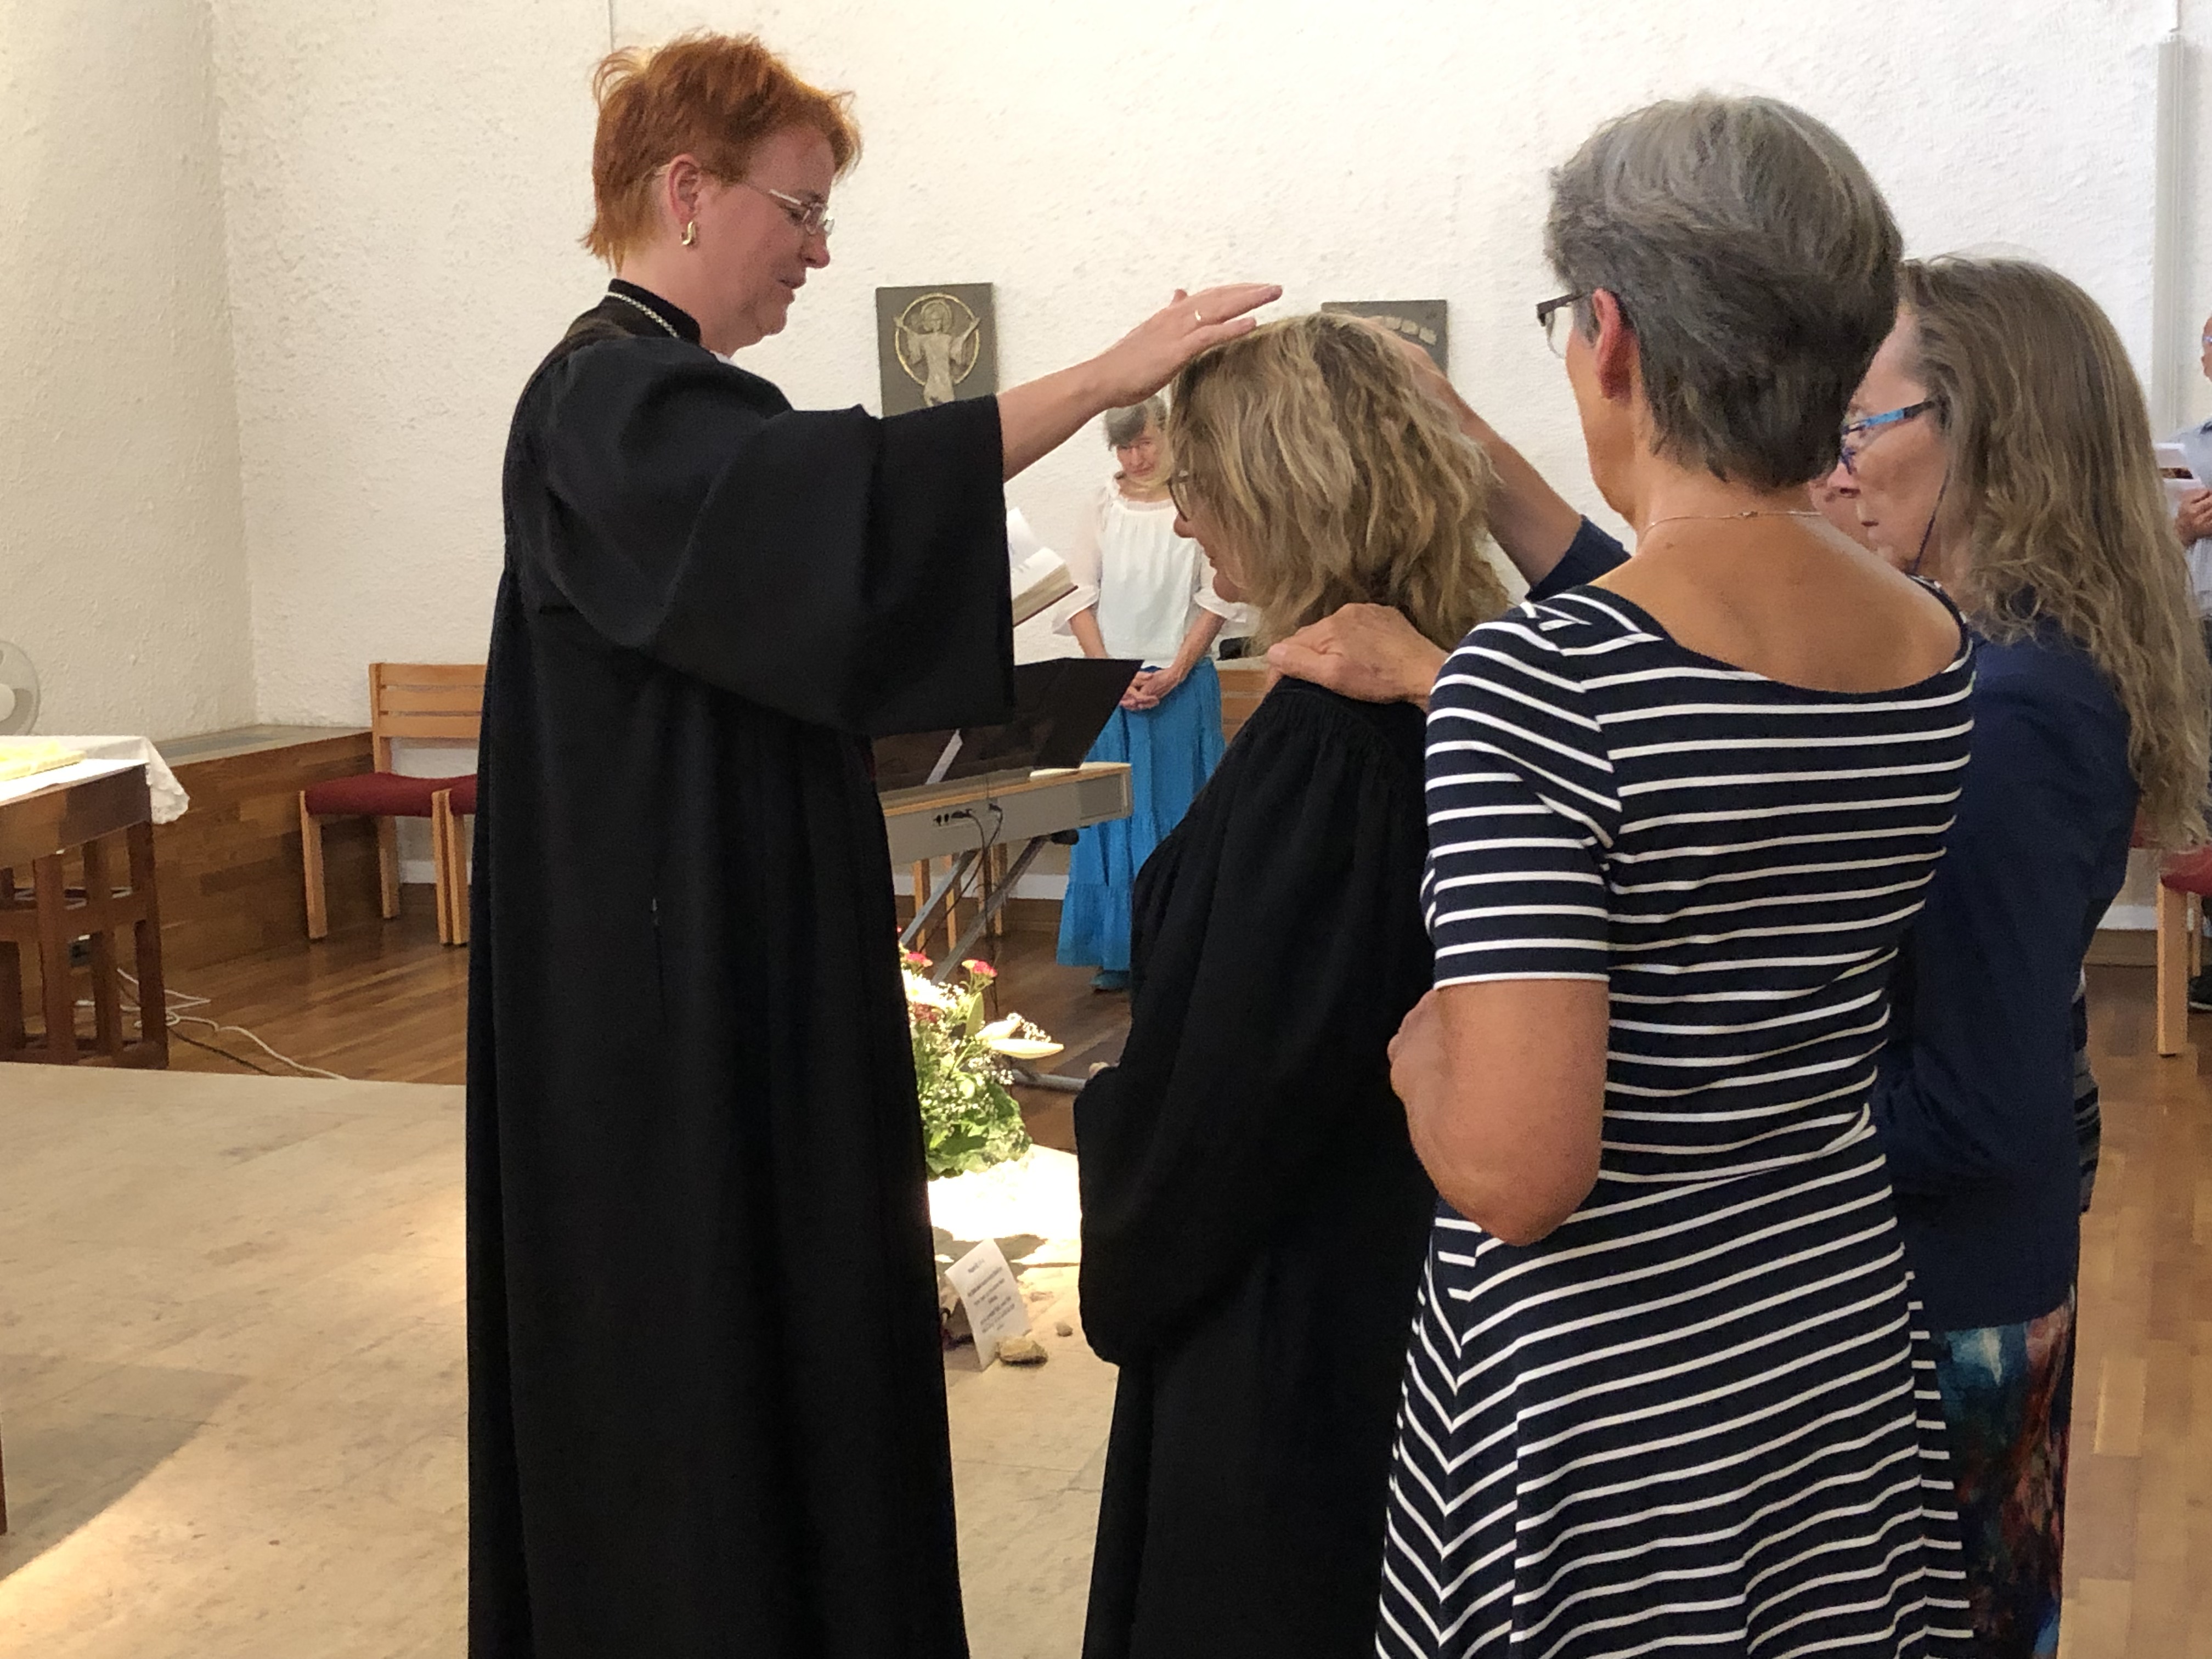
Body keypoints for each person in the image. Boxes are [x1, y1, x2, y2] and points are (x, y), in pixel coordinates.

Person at [468, 31, 1277, 1659]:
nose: (822, 251)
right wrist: (1103, 380)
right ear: (687, 192)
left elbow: (809, 592)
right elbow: (838, 502)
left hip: (739, 940)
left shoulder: (676, 405)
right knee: (696, 1332)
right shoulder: (604, 398)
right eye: (802, 208)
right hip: (660, 993)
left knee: (795, 1301)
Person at [1284, 253, 2210, 1656]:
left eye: (1864, 426)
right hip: (1884, 1270)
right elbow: (1689, 644)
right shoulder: (1958, 651)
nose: (1831, 472)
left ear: (1988, 435)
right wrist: (1479, 476)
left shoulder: (1996, 701)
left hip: (1937, 1289)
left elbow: (1976, 1093)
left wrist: (1712, 1140)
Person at [1291, 95, 1974, 1654]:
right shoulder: (1933, 652)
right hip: (1825, 1332)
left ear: (1610, 337)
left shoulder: (1539, 685)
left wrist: (1423, 1062)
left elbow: (1523, 1176)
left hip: (1612, 1409)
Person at [1074, 313, 1510, 1659]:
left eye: (1200, 488)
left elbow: (1237, 1090)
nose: (1190, 526)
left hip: (1294, 1310)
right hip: (1394, 1270)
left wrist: (1118, 1161)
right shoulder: (1464, 679)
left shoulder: (1331, 744)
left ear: (1284, 486)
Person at [1056, 397, 1240, 990]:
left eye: (1145, 443)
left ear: (1169, 437)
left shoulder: (1202, 500)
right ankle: (1119, 949)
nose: (1135, 457)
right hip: (1113, 689)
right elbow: (1076, 593)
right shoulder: (1100, 505)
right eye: (1124, 447)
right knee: (1114, 818)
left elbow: (1221, 594)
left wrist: (1179, 668)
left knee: (1182, 815)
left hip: (1182, 685)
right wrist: (1111, 675)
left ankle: (1179, 948)